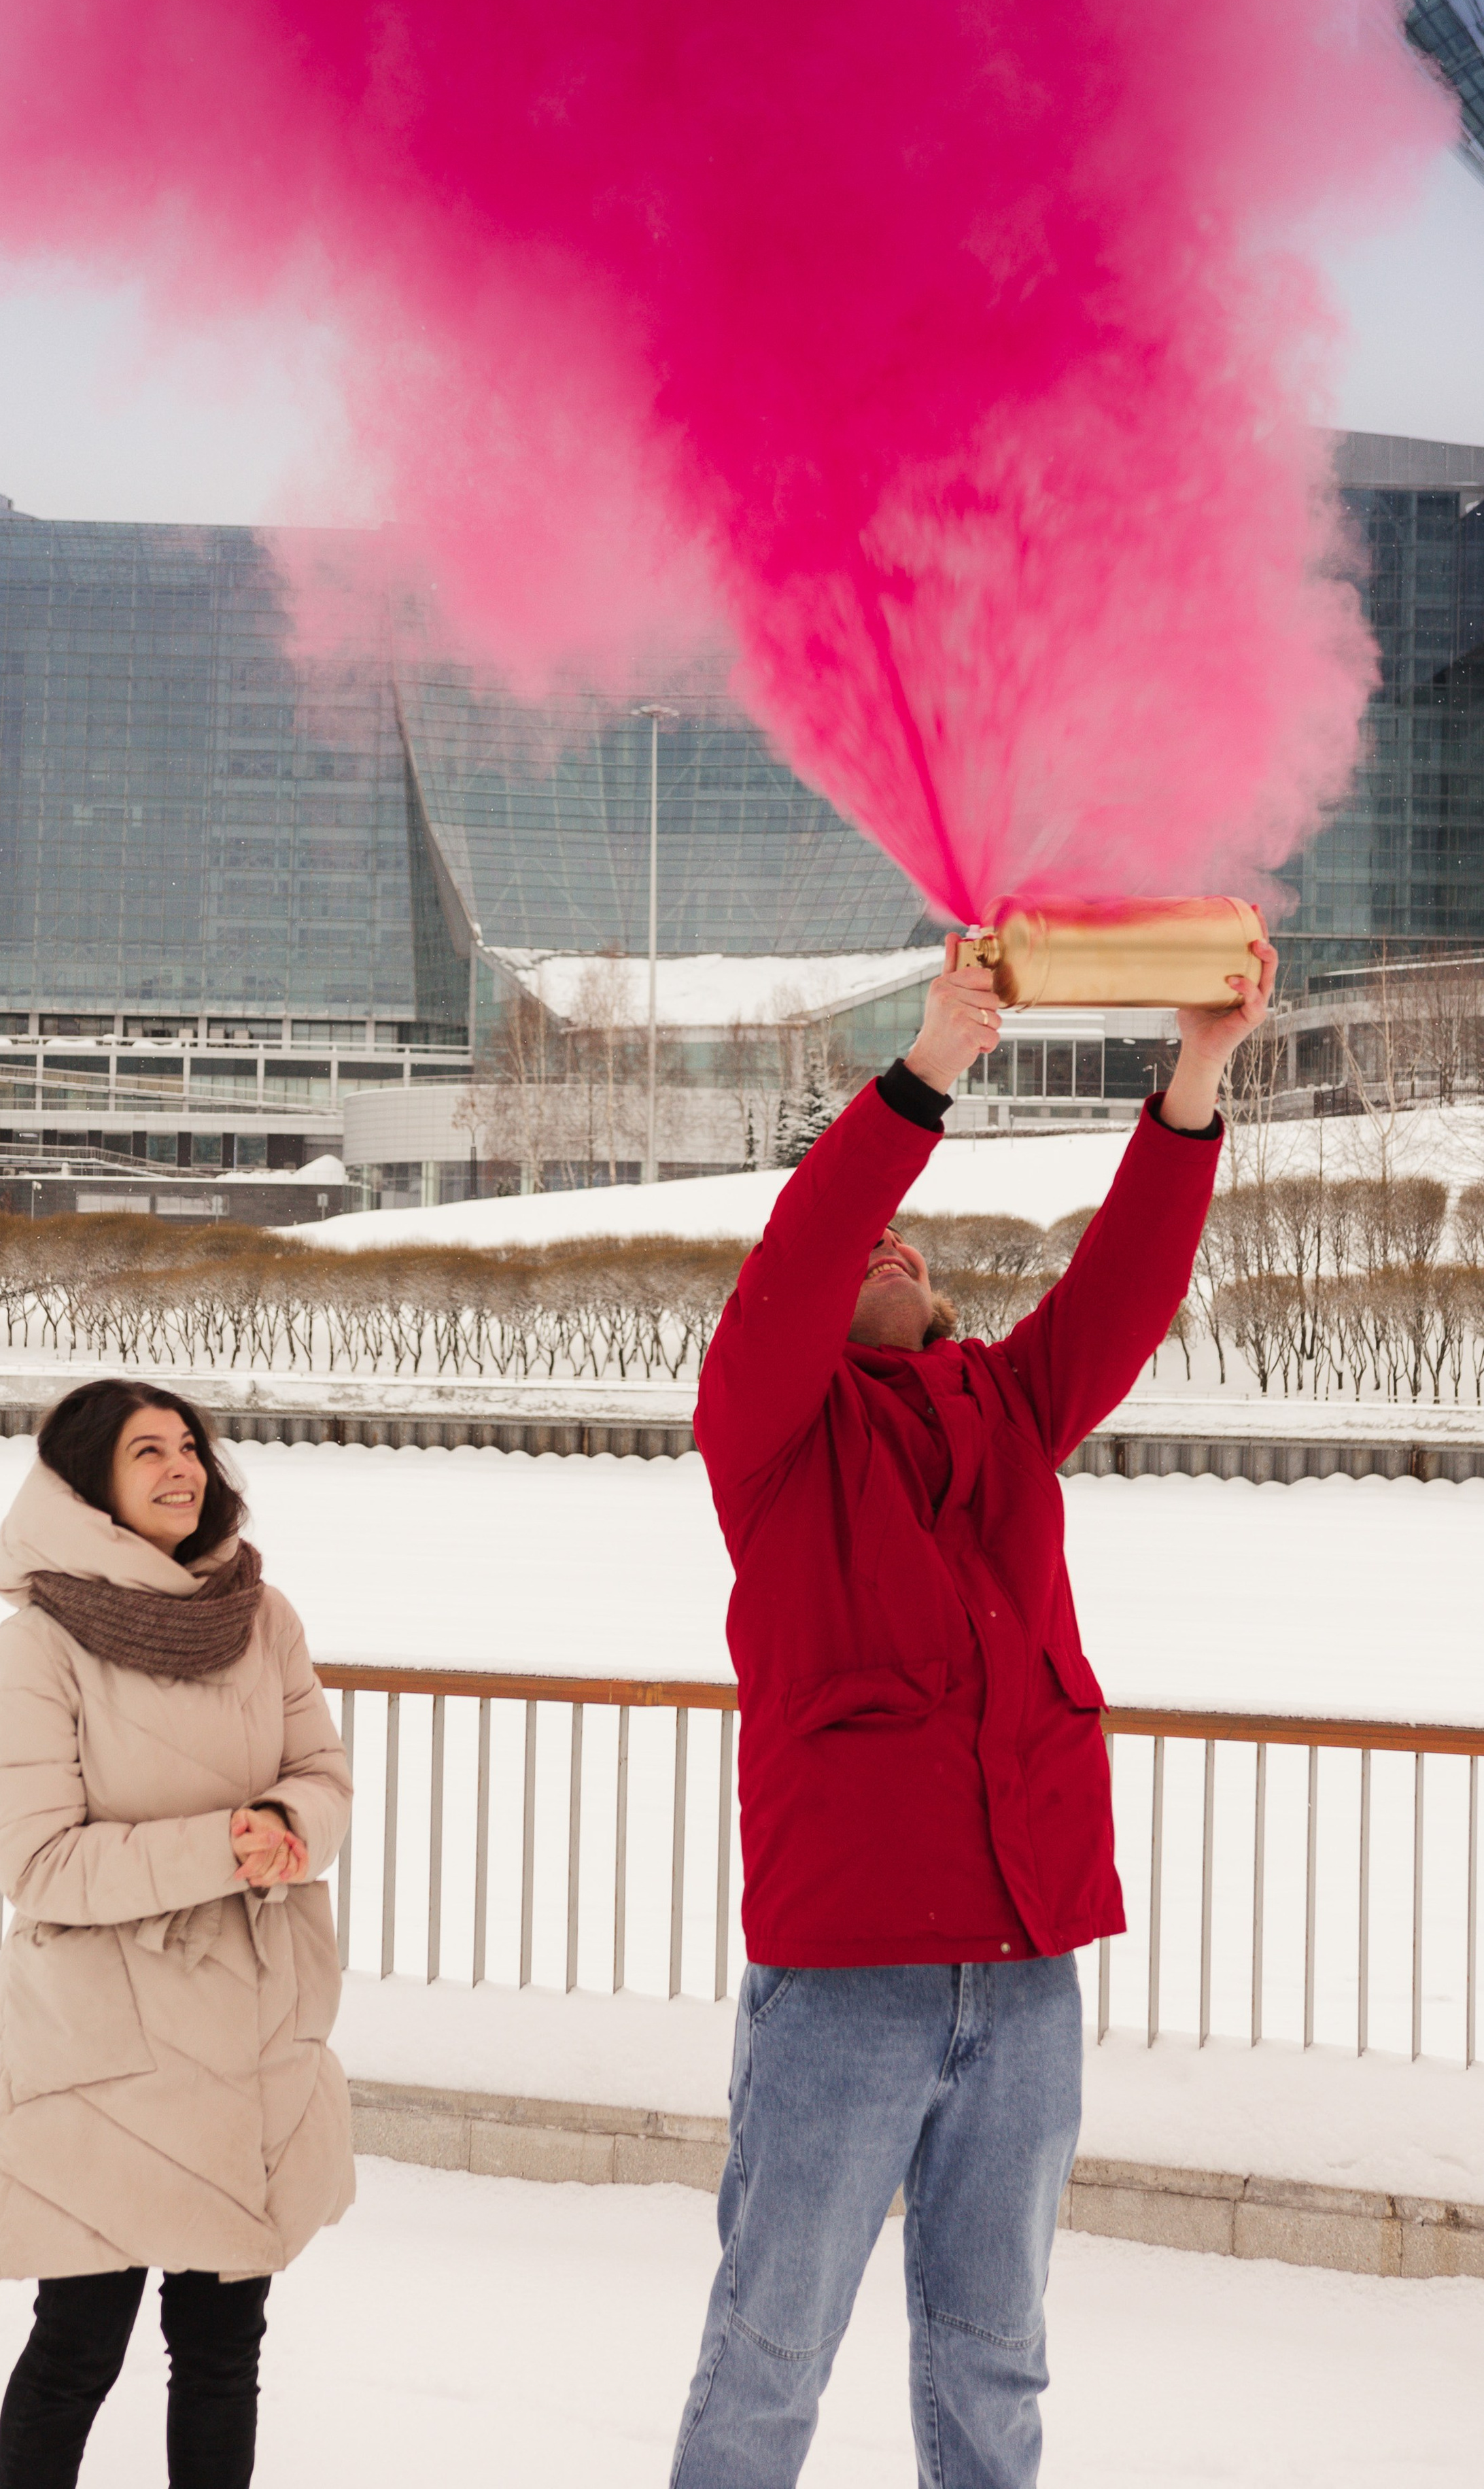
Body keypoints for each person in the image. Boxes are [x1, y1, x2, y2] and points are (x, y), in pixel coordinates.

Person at [671, 926, 1276, 2489]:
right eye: (869, 1245)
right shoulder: (772, 1445)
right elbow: (809, 1241)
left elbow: (1126, 1289)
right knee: (770, 2345)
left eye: (911, 1247)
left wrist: (1194, 1073)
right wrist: (934, 1059)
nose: (890, 1250)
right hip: (845, 1979)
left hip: (1024, 1979)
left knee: (995, 2352)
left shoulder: (1003, 1410)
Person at [0, 1378, 355, 2489]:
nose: (184, 1468)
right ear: (91, 1484)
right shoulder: (37, 1646)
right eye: (149, 1453)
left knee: (223, 2352)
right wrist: (220, 1849)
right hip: (102, 2052)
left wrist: (289, 1824)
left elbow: (322, 1773)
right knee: (80, 2345)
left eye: (191, 1447)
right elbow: (35, 1861)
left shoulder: (259, 1614)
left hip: (246, 2037)